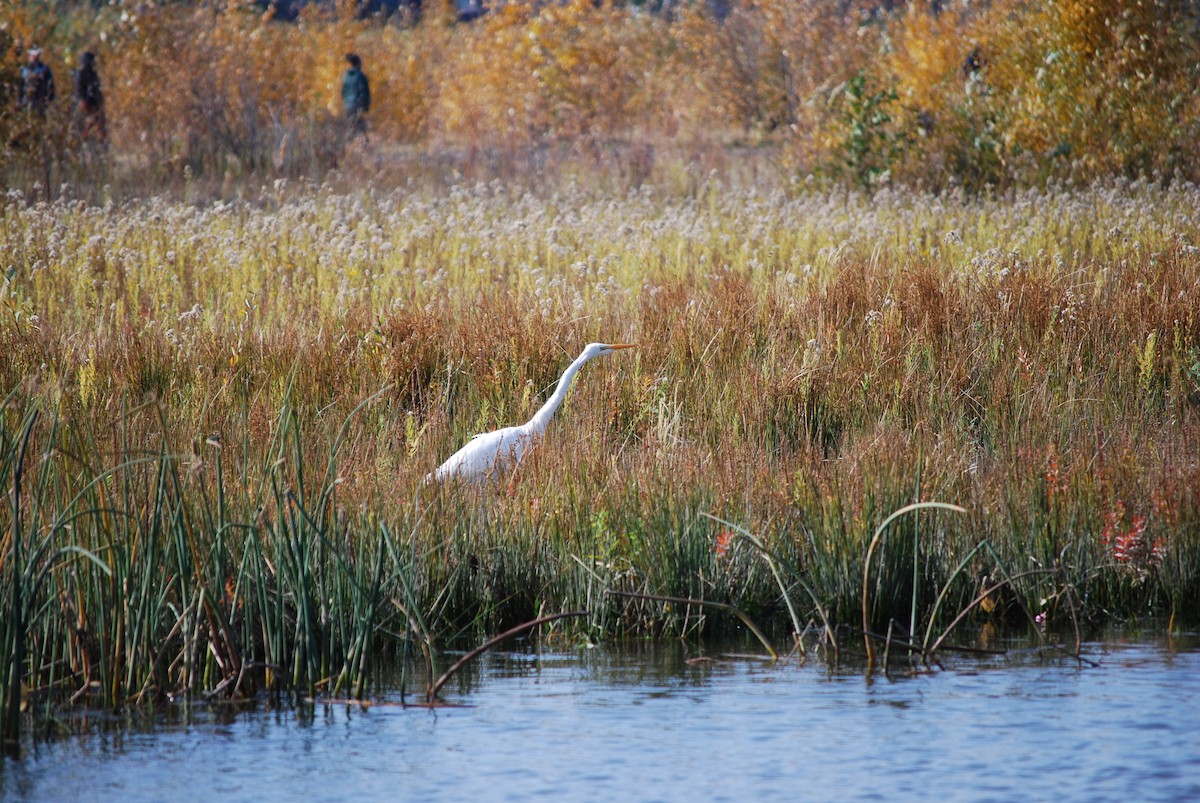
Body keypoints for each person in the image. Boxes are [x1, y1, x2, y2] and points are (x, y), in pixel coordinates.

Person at [73, 51, 107, 143]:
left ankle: (101, 138)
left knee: (100, 118)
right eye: (92, 61)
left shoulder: (94, 75)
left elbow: (98, 91)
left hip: (94, 103)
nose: (94, 63)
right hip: (85, 103)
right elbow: (78, 90)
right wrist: (82, 100)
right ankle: (84, 135)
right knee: (89, 119)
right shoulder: (81, 74)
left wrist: (100, 102)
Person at [18, 46, 56, 118]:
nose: (33, 57)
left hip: (40, 102)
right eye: (32, 55)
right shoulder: (24, 69)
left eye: (35, 55)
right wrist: (19, 101)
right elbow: (20, 86)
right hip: (26, 102)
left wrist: (48, 100)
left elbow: (51, 86)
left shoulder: (44, 69)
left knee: (40, 120)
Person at [341, 53, 370, 140]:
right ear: (358, 63)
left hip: (347, 104)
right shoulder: (360, 75)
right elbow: (363, 91)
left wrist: (346, 101)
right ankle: (362, 144)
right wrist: (364, 105)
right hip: (357, 104)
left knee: (352, 125)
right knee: (360, 127)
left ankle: (351, 143)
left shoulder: (346, 76)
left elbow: (343, 91)